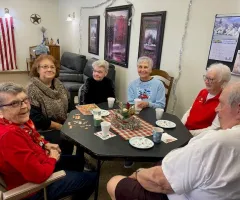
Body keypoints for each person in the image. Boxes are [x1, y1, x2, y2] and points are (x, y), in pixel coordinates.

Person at [107, 81, 240, 200]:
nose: (217, 109)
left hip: (176, 193)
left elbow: (162, 182)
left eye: (221, 104)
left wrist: (138, 173)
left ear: (238, 109)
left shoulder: (215, 141)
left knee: (114, 182)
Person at [0, 82, 96, 200]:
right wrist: (52, 158)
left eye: (25, 100)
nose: (24, 106)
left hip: (41, 161)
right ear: (0, 111)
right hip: (33, 188)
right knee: (93, 178)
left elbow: (35, 138)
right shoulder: (10, 136)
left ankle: (75, 182)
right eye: (14, 103)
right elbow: (38, 175)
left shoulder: (19, 122)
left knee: (78, 161)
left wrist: (46, 145)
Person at [26, 54, 76, 155]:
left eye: (52, 67)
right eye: (45, 67)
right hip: (45, 129)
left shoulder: (59, 84)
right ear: (38, 69)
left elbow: (69, 103)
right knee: (66, 139)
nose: (49, 69)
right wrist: (59, 126)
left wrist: (72, 119)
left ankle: (73, 162)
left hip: (63, 123)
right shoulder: (32, 89)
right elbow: (35, 118)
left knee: (78, 133)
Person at [181, 63, 231, 136]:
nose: (206, 82)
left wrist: (190, 133)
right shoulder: (203, 92)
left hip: (198, 138)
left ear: (223, 82)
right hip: (185, 131)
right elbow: (191, 110)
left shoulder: (223, 101)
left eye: (211, 79)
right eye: (206, 78)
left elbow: (215, 128)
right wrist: (181, 126)